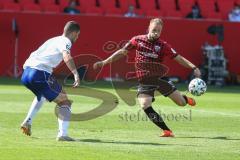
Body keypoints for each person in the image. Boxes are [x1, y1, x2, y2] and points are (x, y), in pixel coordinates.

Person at [93, 18, 201, 137]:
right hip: (145, 81)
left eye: (159, 31)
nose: (156, 32)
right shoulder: (137, 40)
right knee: (145, 105)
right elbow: (121, 52)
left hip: (159, 79)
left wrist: (194, 67)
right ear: (149, 28)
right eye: (154, 29)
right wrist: (104, 62)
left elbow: (179, 58)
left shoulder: (163, 45)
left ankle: (185, 99)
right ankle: (167, 131)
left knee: (180, 103)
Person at [20, 21, 80, 141]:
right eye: (77, 35)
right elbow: (66, 56)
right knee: (65, 101)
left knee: (42, 95)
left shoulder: (53, 40)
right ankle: (62, 134)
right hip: (39, 73)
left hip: (26, 73)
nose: (77, 38)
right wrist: (75, 73)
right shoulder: (66, 41)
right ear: (73, 33)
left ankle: (27, 122)